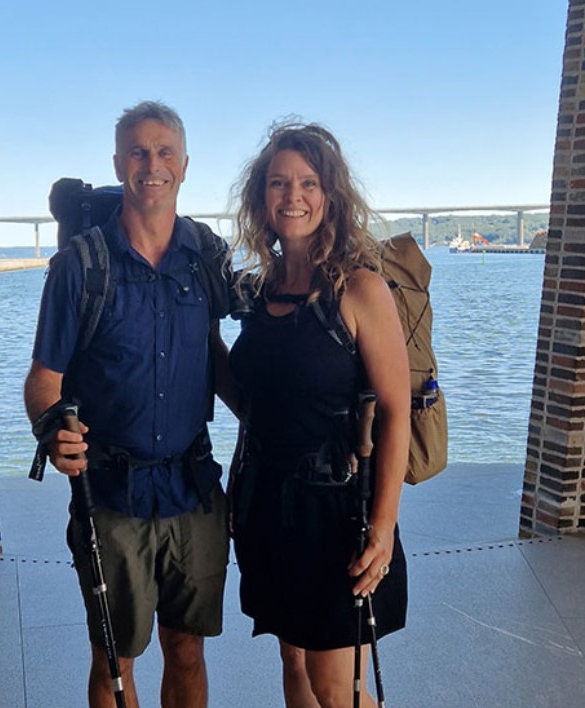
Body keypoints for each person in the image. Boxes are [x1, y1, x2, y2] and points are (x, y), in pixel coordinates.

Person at [24, 100, 233, 708]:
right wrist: (52, 430)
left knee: (188, 649)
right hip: (112, 497)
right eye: (138, 152)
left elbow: (217, 354)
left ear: (185, 165)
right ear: (119, 164)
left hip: (193, 490)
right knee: (115, 658)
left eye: (165, 151)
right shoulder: (79, 267)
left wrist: (279, 420)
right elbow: (43, 380)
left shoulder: (206, 257)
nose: (152, 164)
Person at [227, 121, 410, 708]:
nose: (293, 196)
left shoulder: (359, 289)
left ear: (330, 195)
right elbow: (258, 401)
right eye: (278, 183)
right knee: (294, 660)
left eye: (308, 183)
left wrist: (383, 526)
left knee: (335, 684)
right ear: (261, 196)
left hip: (338, 510)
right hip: (268, 505)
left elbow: (396, 413)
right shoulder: (261, 291)